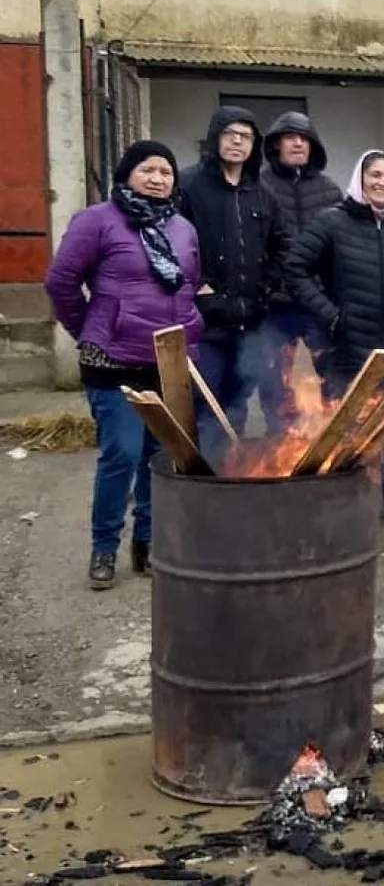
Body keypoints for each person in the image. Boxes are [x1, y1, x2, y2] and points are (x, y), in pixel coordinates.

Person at [44, 141, 203, 590]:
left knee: (159, 457)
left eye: (165, 172)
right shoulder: (96, 221)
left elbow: (191, 284)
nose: (157, 178)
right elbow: (60, 283)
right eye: (147, 170)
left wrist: (193, 331)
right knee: (122, 454)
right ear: (126, 174)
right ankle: (104, 548)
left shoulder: (183, 228)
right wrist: (94, 329)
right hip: (112, 361)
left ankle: (148, 544)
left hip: (168, 361)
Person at [283, 150, 384, 525]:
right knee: (346, 423)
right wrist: (330, 315)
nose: (382, 183)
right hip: (349, 345)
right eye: (375, 175)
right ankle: (348, 494)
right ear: (360, 178)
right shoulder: (332, 221)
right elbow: (295, 268)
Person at [179, 106, 287, 464]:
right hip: (205, 324)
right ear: (215, 138)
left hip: (250, 321)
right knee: (205, 405)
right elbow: (170, 244)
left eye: (245, 136)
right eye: (230, 134)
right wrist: (196, 284)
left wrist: (267, 287)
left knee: (237, 403)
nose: (237, 142)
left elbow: (282, 246)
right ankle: (205, 483)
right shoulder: (189, 185)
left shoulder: (263, 194)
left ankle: (228, 475)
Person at [259, 111, 343, 432]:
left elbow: (341, 248)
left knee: (328, 375)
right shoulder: (260, 187)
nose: (297, 143)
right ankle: (279, 441)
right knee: (273, 380)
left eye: (304, 138)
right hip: (275, 304)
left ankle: (324, 441)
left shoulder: (330, 191)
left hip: (318, 303)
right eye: (290, 137)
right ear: (276, 144)